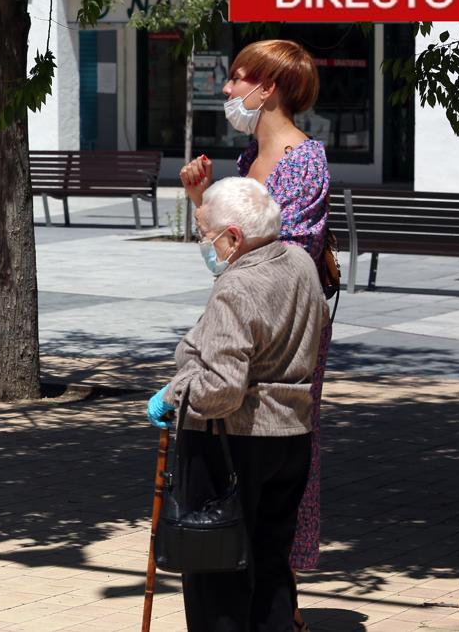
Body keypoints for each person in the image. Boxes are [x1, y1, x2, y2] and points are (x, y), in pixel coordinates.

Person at [178, 39, 330, 631]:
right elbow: (233, 256)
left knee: (261, 488)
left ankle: (271, 605)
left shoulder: (303, 160)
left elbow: (269, 263)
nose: (227, 88)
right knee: (243, 495)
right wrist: (202, 202)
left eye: (239, 77)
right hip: (245, 331)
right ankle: (259, 601)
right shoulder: (247, 160)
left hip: (279, 343)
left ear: (269, 88)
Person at [147, 177, 328, 631]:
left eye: (204, 233)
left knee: (217, 575)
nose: (201, 242)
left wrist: (172, 395)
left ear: (233, 238)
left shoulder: (238, 285)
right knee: (270, 563)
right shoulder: (301, 261)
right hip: (291, 436)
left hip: (234, 443)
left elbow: (222, 389)